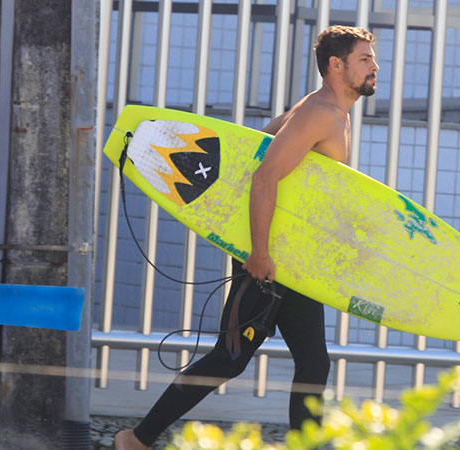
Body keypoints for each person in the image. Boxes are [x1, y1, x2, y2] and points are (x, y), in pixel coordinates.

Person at [115, 25, 379, 450]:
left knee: (313, 363)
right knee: (229, 359)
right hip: (269, 262)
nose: (374, 67)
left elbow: (260, 143)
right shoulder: (319, 114)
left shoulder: (327, 110)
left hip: (292, 262)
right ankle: (136, 439)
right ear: (336, 65)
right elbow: (264, 175)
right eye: (364, 59)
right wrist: (256, 252)